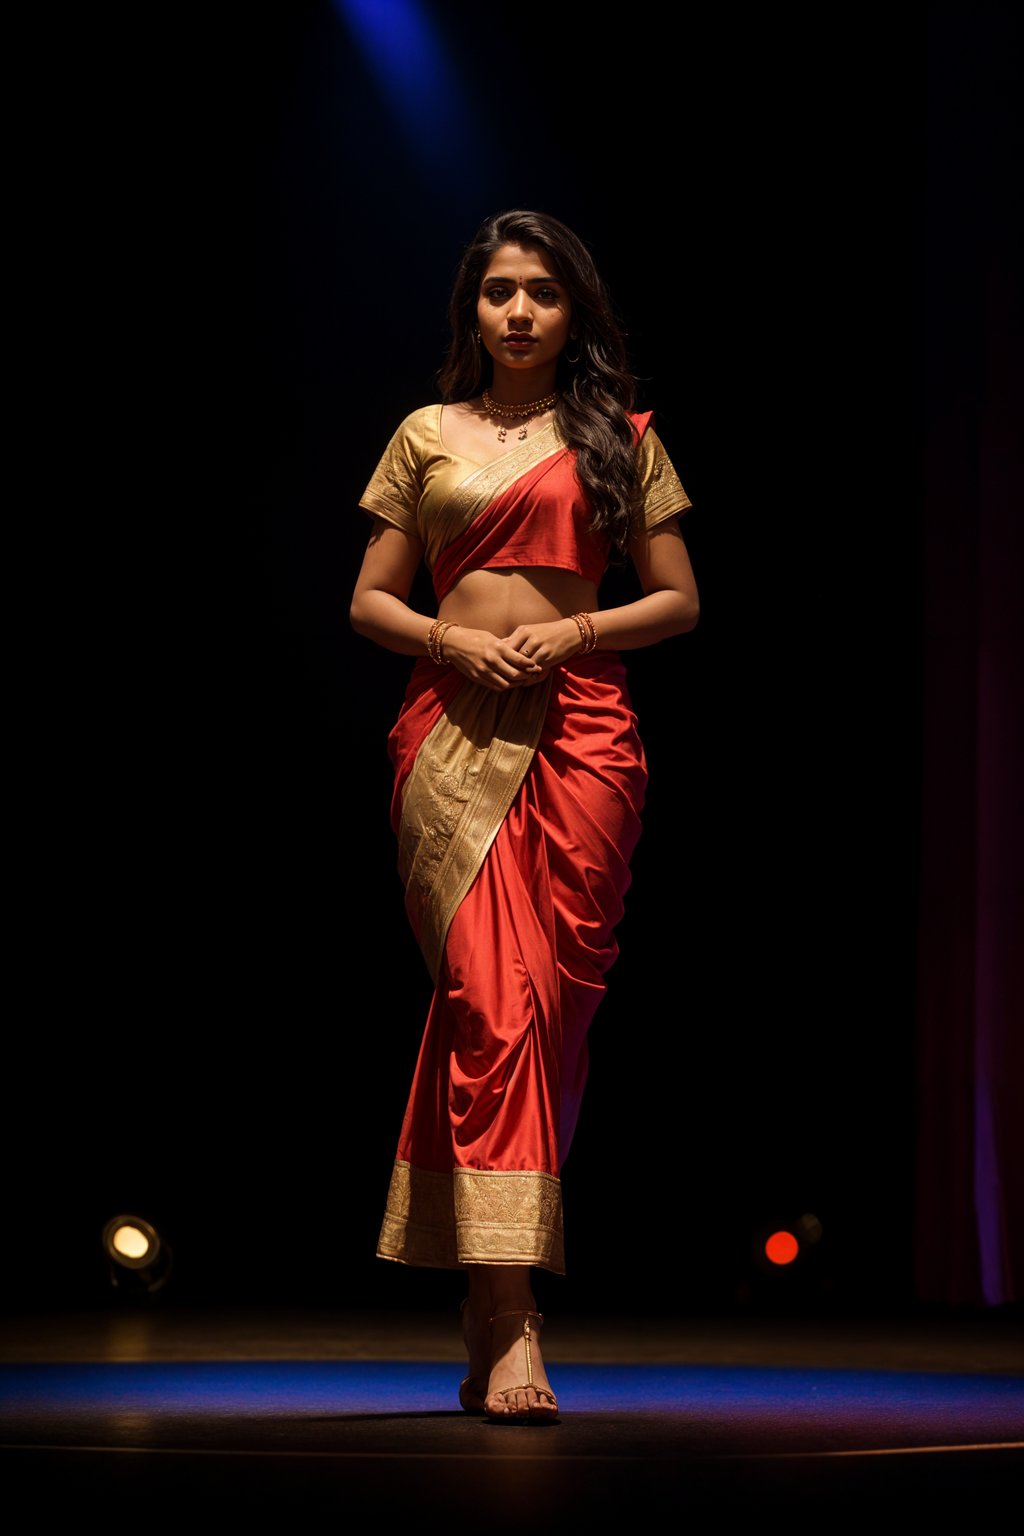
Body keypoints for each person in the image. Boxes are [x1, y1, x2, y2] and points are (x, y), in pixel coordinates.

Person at [349, 209, 699, 1424]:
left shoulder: (619, 439)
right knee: (485, 1004)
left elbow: (678, 600)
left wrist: (573, 631)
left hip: (584, 735)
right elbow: (369, 602)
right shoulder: (423, 435)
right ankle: (508, 1320)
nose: (516, 311)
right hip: (448, 737)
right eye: (497, 291)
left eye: (541, 293)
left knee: (550, 1018)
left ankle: (492, 1286)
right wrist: (457, 639)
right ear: (471, 310)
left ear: (572, 313)